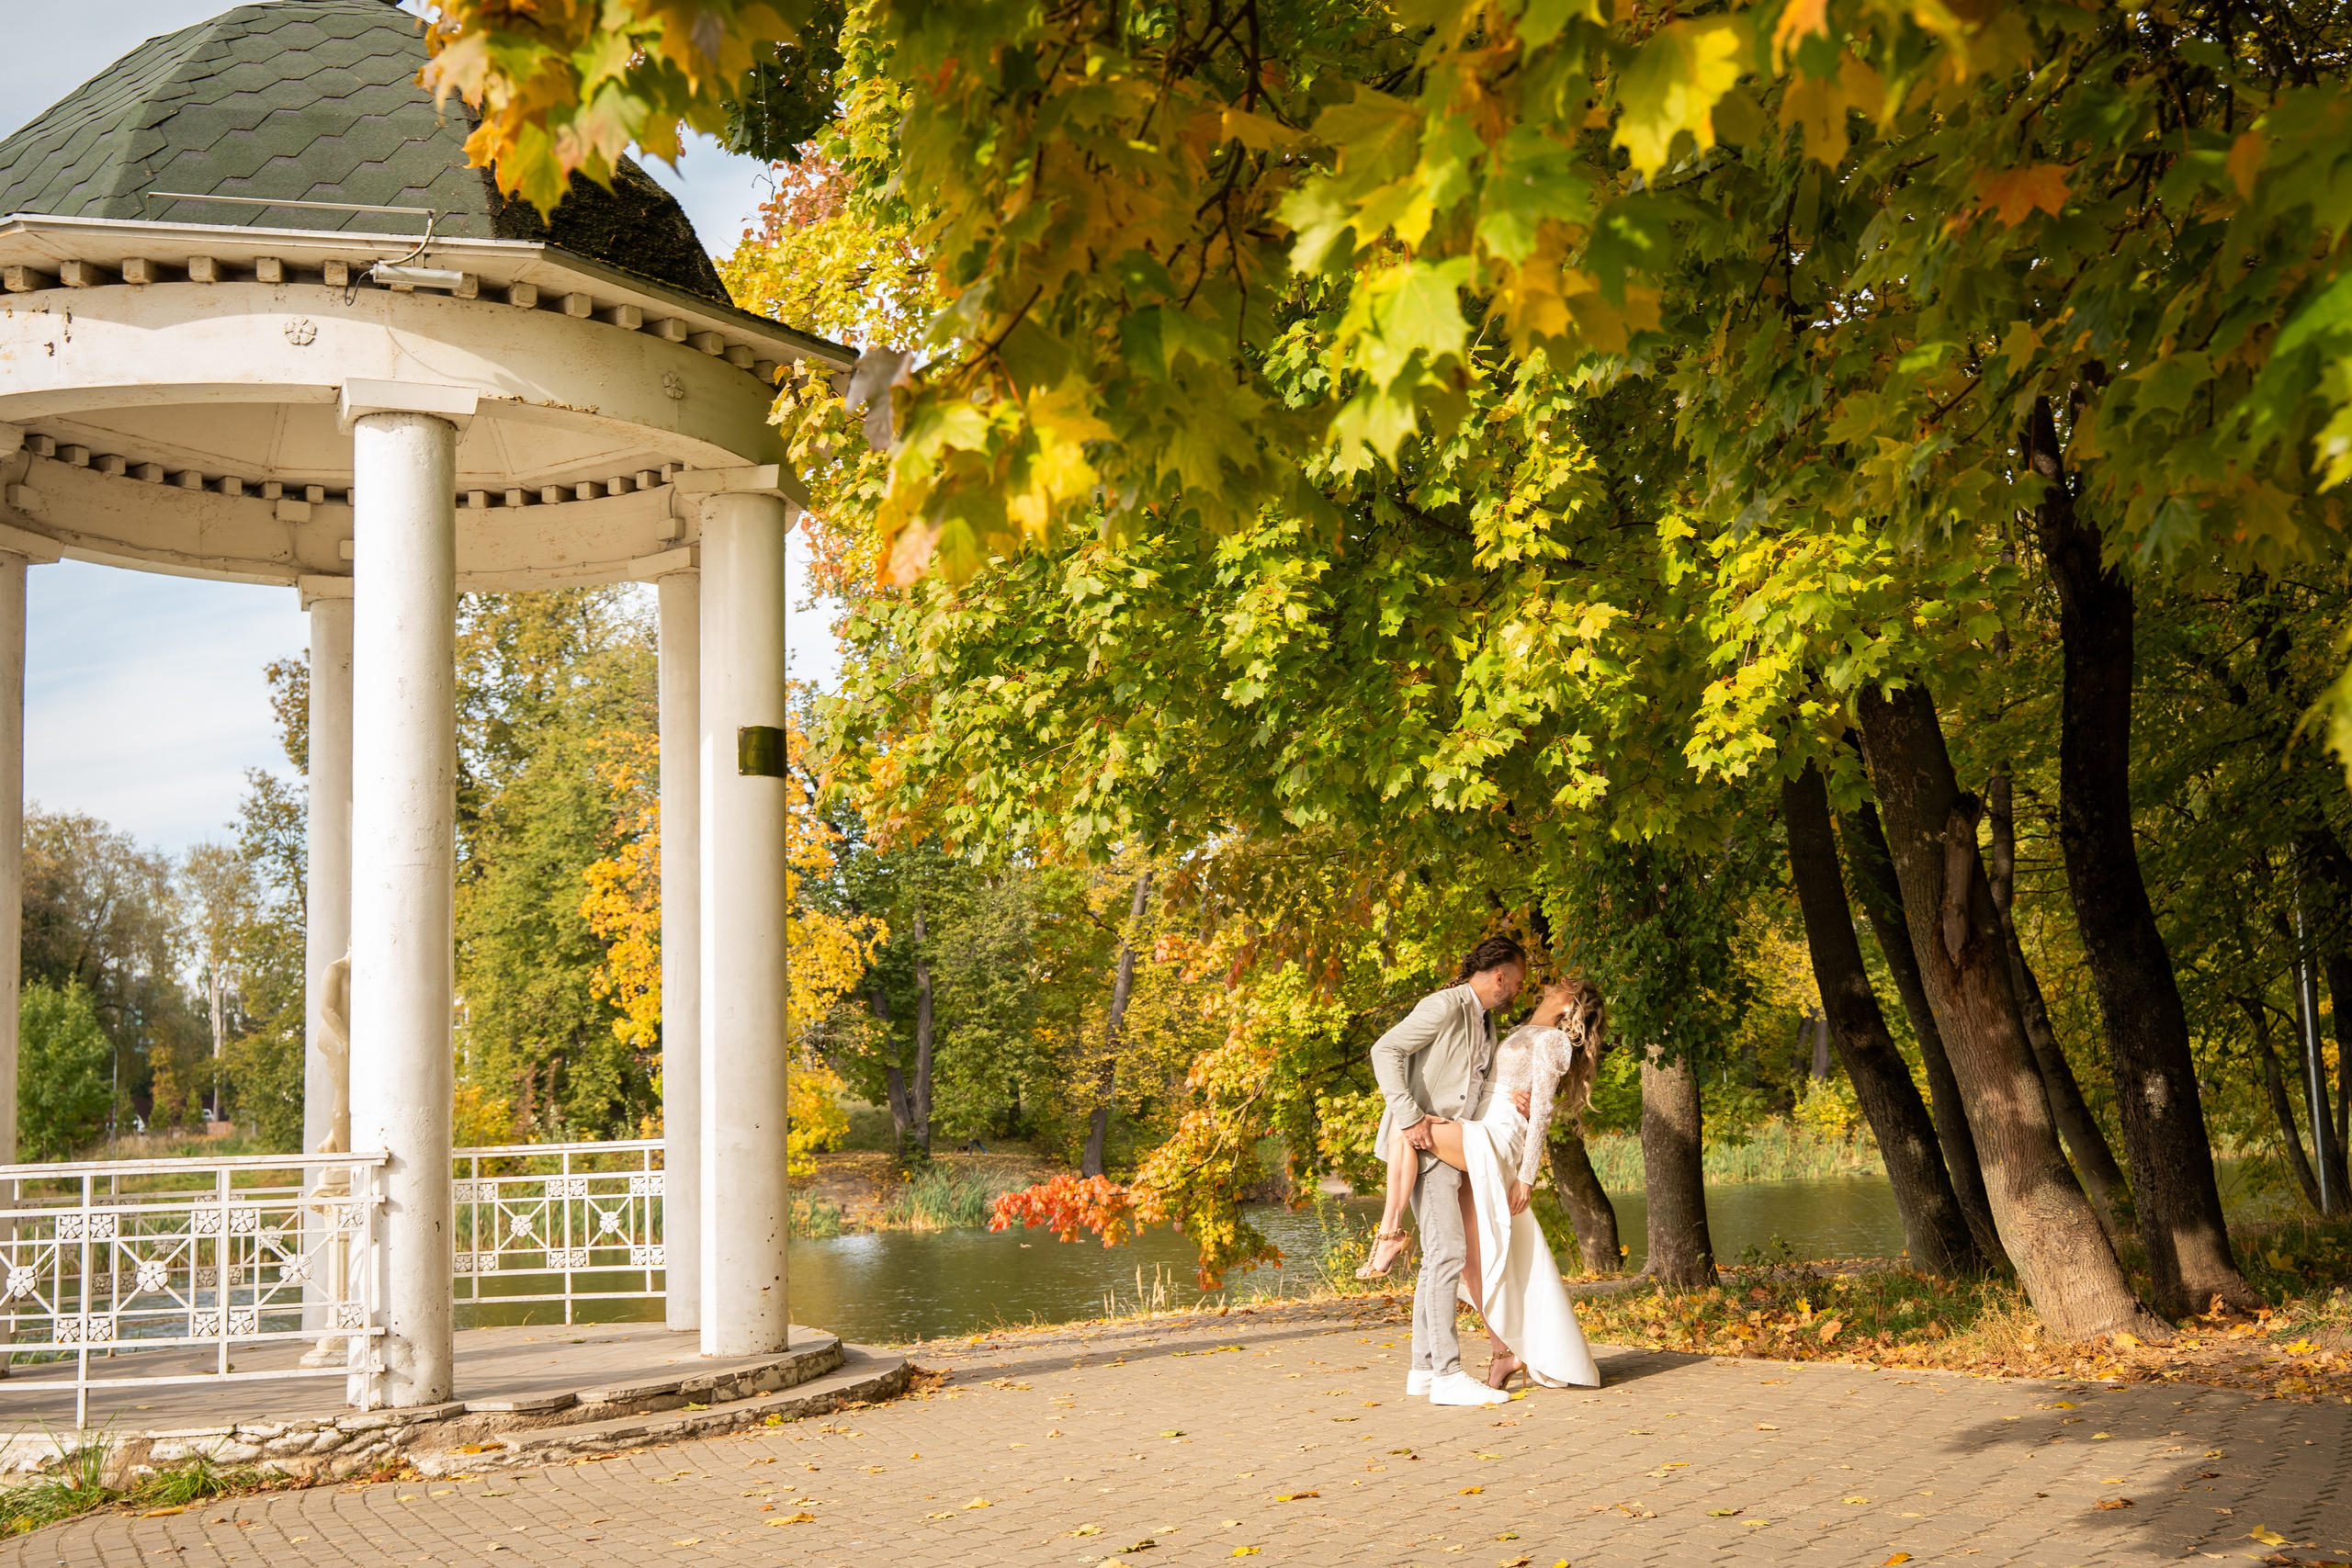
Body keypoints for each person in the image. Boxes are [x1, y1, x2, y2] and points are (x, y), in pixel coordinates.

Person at [1363, 975, 1607, 1393]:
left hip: (1498, 1136)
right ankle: (1503, 1354)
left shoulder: (1552, 1042)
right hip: (1479, 1124)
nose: (1553, 984)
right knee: (1477, 1256)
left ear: (1570, 1007)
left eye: (1565, 986)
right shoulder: (1519, 1030)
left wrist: (1527, 1176)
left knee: (1410, 1127)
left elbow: (1542, 1111)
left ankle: (1389, 1234)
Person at [1366, 935, 1529, 1408]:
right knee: (1448, 1254)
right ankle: (1448, 1374)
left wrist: (1507, 1095)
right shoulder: (1445, 1005)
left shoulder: (1485, 1020)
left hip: (1455, 1146)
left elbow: (1472, 1082)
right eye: (1517, 981)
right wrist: (1410, 1115)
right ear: (1500, 975)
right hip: (1425, 1146)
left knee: (1439, 1256)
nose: (1518, 990)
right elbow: (1385, 1051)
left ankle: (1423, 1369)